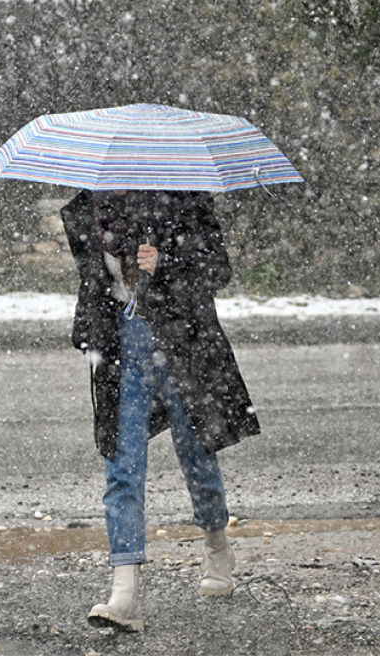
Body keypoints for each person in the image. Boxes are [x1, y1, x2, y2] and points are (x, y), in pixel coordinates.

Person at [60, 188, 261, 632]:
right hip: (121, 350)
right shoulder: (88, 210)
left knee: (196, 451)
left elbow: (217, 268)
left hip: (181, 341)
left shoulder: (183, 198)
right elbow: (92, 282)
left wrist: (165, 261)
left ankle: (215, 542)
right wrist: (91, 323)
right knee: (122, 464)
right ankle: (124, 592)